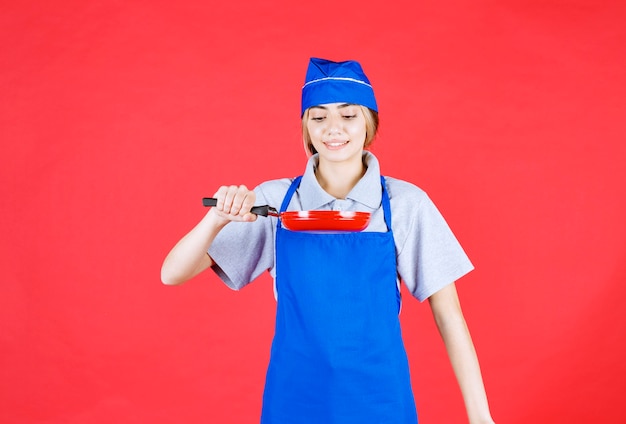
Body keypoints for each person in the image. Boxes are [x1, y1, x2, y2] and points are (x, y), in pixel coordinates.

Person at [161, 57, 495, 424]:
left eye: (348, 115)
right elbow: (172, 274)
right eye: (318, 117)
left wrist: (481, 417)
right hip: (294, 399)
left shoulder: (405, 204)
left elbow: (449, 315)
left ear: (369, 123)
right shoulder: (275, 202)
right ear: (306, 128)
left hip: (380, 398)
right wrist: (216, 219)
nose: (333, 129)